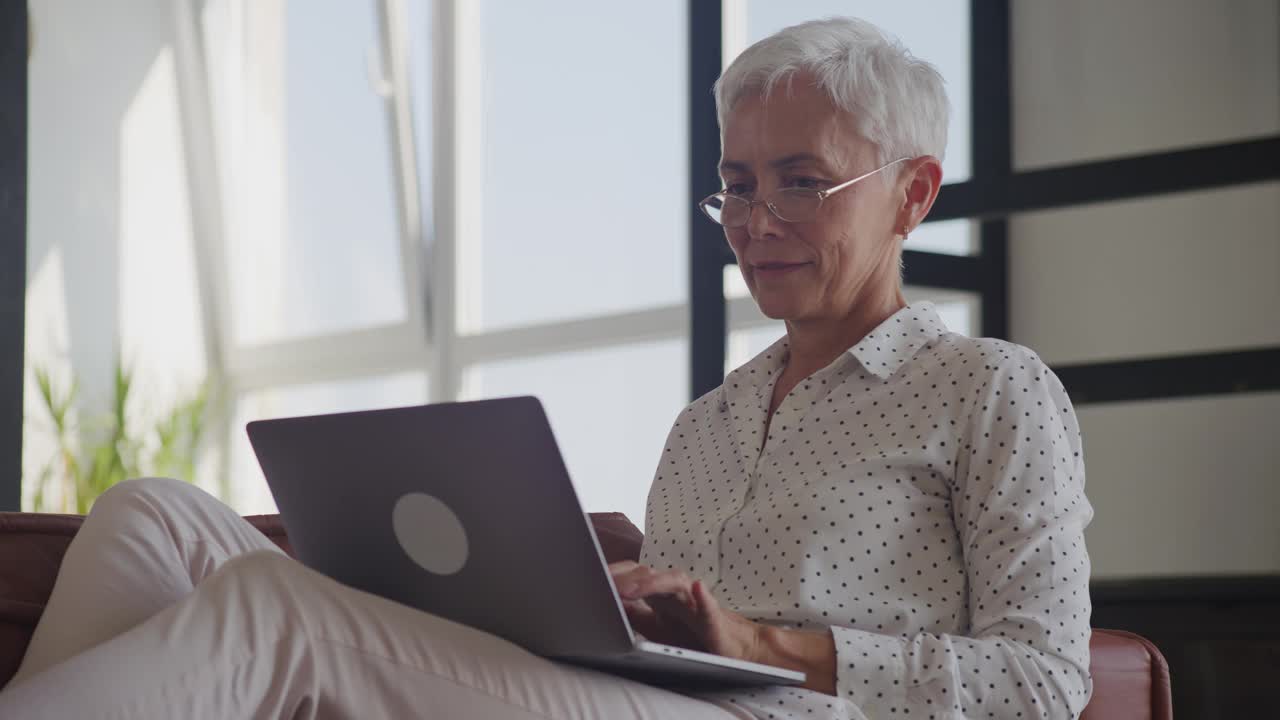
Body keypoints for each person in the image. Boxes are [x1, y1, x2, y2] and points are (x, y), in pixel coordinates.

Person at [0, 16, 1092, 720]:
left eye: (799, 182)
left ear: (910, 194)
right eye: (736, 185)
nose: (755, 222)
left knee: (273, 610)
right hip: (639, 703)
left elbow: (1045, 684)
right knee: (150, 512)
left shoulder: (990, 391)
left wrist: (767, 645)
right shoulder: (704, 426)